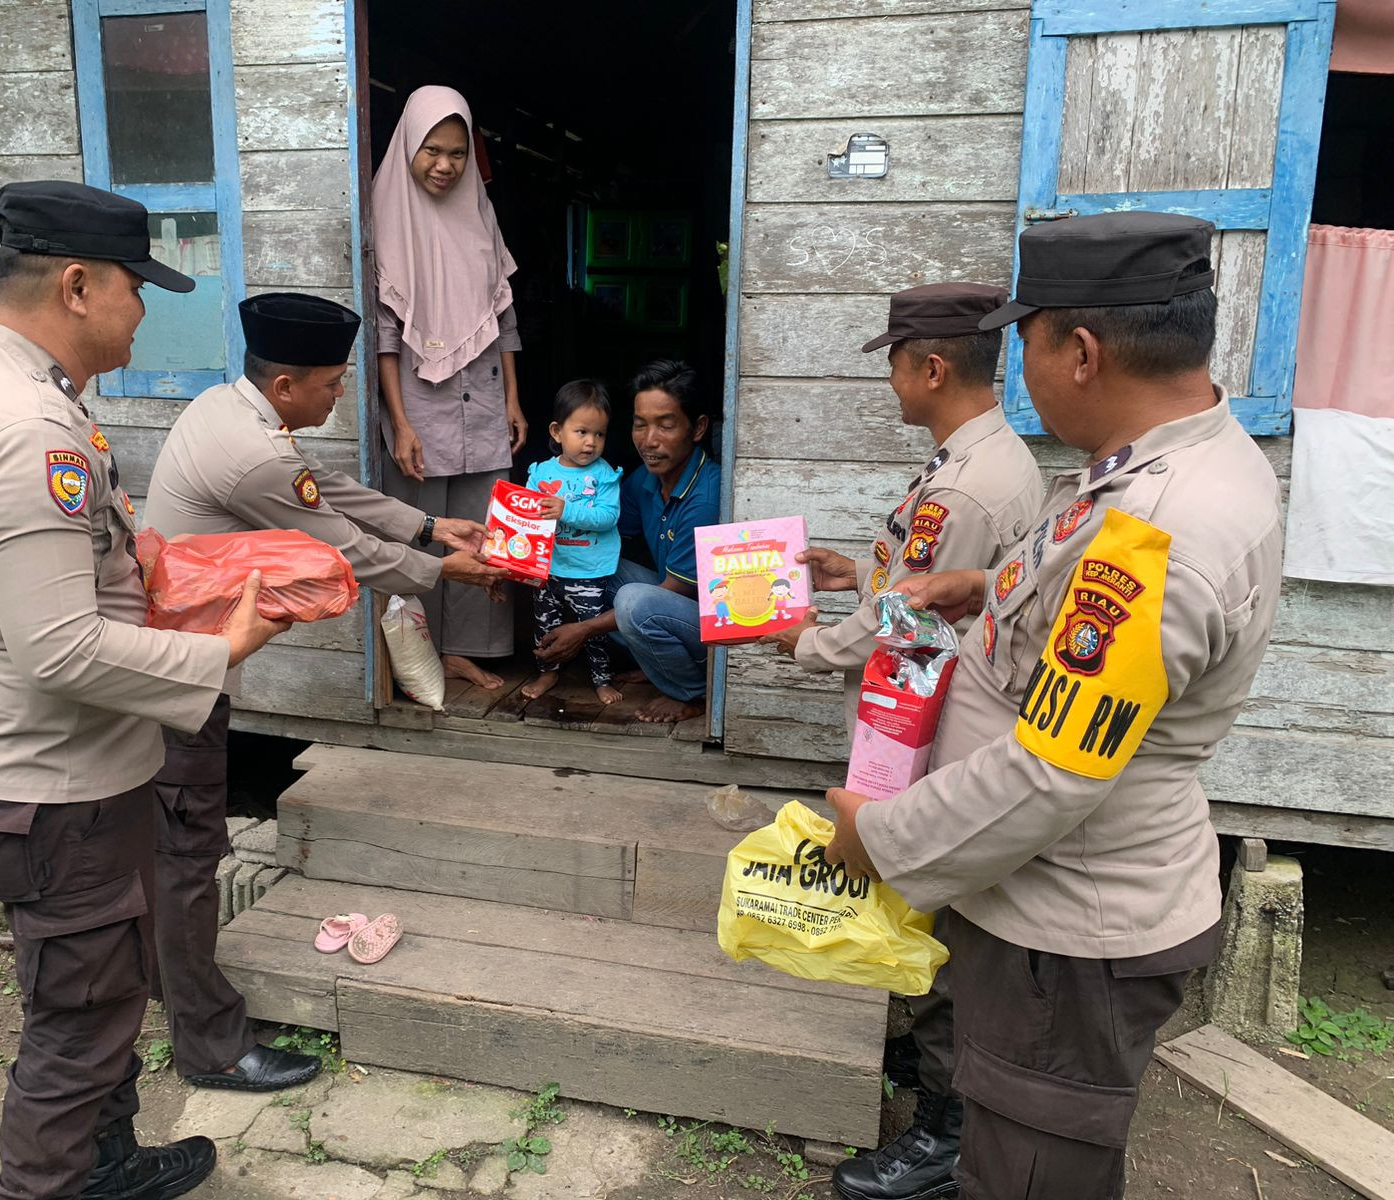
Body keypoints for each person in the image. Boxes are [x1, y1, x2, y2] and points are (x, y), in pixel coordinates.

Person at [822, 212, 1284, 1200]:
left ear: (1079, 352)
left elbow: (1053, 767)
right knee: (1008, 1147)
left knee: (1029, 1173)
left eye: (1025, 342)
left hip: (1067, 931)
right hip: (1045, 903)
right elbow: (1081, 640)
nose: (1017, 370)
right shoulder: (1156, 462)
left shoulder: (1159, 527)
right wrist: (985, 590)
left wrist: (881, 839)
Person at [0, 180, 289, 1200]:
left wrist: (132, 562)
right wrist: (221, 650)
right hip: (56, 789)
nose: (144, 309)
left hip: (42, 772)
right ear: (76, 286)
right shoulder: (31, 431)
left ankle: (108, 1167)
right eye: (136, 286)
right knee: (76, 1030)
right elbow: (58, 648)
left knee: (103, 998)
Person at [141, 291, 505, 1090]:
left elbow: (325, 488)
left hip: (177, 666)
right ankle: (209, 1043)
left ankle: (161, 983)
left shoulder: (230, 412)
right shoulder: (255, 456)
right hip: (181, 683)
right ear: (285, 385)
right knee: (187, 856)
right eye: (333, 383)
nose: (341, 395)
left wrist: (427, 526)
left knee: (168, 848)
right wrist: (440, 569)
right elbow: (341, 547)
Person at [761, 283, 1042, 1200]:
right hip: (947, 716)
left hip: (940, 728)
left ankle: (945, 1136)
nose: (888, 381)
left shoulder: (961, 484)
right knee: (934, 909)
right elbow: (929, 584)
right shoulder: (983, 459)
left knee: (943, 915)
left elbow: (904, 624)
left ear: (932, 368)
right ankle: (932, 1074)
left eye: (892, 363)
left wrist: (807, 643)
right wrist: (855, 571)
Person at [372, 83, 527, 691]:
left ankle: (465, 650)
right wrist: (399, 421)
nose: (445, 165)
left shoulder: (479, 214)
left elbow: (503, 314)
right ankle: (418, 651)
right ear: (409, 145)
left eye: (457, 153)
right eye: (432, 150)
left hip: (482, 395)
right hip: (419, 401)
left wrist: (512, 399)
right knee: (419, 528)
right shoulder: (386, 215)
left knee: (481, 525)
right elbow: (386, 333)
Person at [534, 360, 721, 723]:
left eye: (665, 425)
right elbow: (601, 535)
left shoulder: (705, 496)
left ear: (698, 428)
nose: (649, 440)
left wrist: (583, 629)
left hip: (711, 633)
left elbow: (677, 590)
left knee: (634, 601)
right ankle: (657, 663)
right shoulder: (645, 480)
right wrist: (513, 558)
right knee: (596, 564)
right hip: (670, 615)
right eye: (640, 424)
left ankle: (693, 691)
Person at [522, 379, 624, 704]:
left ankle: (601, 679)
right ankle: (547, 672)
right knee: (544, 624)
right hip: (548, 567)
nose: (591, 443)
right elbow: (523, 514)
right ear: (557, 432)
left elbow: (608, 517)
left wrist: (566, 510)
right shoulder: (541, 474)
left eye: (599, 434)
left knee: (592, 629)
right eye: (582, 432)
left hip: (589, 569)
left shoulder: (604, 475)